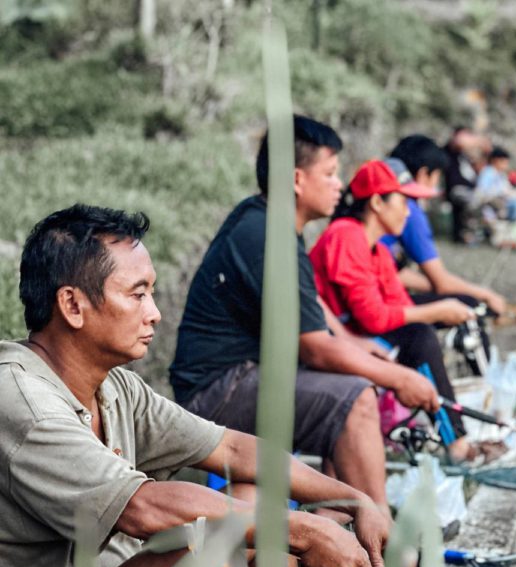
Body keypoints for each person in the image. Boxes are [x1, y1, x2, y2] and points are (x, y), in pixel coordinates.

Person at [1, 204, 388, 567]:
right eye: (137, 295)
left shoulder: (114, 386)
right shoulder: (23, 402)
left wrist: (354, 501)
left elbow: (231, 448)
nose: (154, 312)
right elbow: (143, 507)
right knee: (213, 551)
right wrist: (307, 530)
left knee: (256, 505)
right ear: (72, 305)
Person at [170, 115, 440, 512]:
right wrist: (400, 377)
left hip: (237, 377)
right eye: (330, 173)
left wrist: (354, 344)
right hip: (217, 389)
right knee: (356, 399)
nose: (339, 185)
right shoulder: (269, 236)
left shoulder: (265, 219)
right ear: (297, 179)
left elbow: (309, 302)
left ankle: (334, 520)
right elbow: (314, 349)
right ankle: (379, 533)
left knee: (347, 381)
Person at [310, 159, 503, 463]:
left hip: (357, 335)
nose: (409, 211)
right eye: (404, 201)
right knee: (420, 338)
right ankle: (457, 444)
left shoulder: (378, 250)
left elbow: (399, 304)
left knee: (429, 328)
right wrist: (437, 309)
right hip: (324, 344)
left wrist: (444, 310)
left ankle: (456, 426)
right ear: (376, 202)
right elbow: (372, 317)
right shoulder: (346, 235)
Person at [382, 134, 506, 317]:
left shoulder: (382, 199)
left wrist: (432, 284)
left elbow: (392, 273)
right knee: (469, 304)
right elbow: (442, 283)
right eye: (437, 176)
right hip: (377, 304)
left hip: (376, 293)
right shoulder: (408, 210)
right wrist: (486, 294)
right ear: (424, 174)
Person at [475, 145, 516, 223]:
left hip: (500, 205)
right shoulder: (488, 172)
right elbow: (482, 190)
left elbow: (507, 190)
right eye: (504, 162)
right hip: (489, 207)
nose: (506, 165)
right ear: (496, 160)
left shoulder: (501, 175)